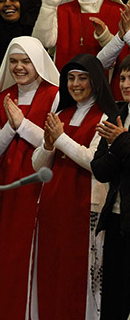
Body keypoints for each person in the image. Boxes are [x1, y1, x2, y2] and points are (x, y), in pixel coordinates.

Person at [0, 36, 60, 320]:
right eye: (13, 61)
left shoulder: (55, 94)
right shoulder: (3, 97)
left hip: (40, 182)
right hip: (6, 184)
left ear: (38, 62)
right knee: (6, 259)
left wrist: (21, 124)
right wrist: (12, 128)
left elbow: (55, 141)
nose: (19, 67)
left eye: (26, 61)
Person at [32, 54, 118, 320]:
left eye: (83, 78)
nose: (76, 84)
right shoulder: (61, 113)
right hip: (53, 205)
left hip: (86, 206)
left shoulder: (107, 115)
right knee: (51, 274)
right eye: (70, 78)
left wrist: (61, 139)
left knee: (79, 279)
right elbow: (38, 165)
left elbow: (95, 163)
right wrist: (48, 144)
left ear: (96, 81)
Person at [32, 0, 128, 98]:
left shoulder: (118, 11)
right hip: (67, 87)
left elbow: (124, 57)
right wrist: (49, 4)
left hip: (103, 89)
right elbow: (43, 42)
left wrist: (104, 36)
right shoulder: (64, 10)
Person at [90, 54, 130, 320]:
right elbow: (100, 169)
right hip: (117, 219)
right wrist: (119, 148)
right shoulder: (118, 114)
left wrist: (122, 142)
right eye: (123, 78)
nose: (125, 83)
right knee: (114, 298)